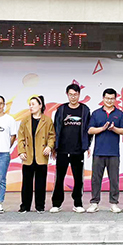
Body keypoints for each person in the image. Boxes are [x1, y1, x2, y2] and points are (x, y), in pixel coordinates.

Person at [51, 84, 92, 213]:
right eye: (71, 94)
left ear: (79, 95)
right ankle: (56, 204)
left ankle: (78, 203)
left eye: (75, 94)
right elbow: (55, 128)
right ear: (67, 95)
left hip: (78, 150)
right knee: (59, 178)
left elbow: (88, 130)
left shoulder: (85, 110)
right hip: (62, 150)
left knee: (78, 179)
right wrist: (54, 147)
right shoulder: (61, 109)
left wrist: (87, 146)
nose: (73, 97)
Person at [87, 88, 123, 213]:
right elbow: (90, 130)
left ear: (115, 99)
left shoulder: (119, 114)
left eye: (112, 98)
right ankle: (94, 203)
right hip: (99, 152)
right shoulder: (96, 113)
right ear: (103, 98)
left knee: (114, 179)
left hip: (113, 153)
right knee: (96, 179)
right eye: (107, 98)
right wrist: (102, 129)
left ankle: (114, 203)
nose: (109, 101)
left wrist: (114, 129)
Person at [18, 95, 55, 213]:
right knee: (26, 183)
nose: (31, 106)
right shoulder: (25, 121)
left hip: (41, 155)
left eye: (33, 104)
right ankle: (25, 206)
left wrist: (49, 146)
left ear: (40, 106)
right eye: (30, 104)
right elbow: (20, 138)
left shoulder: (47, 120)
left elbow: (52, 136)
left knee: (41, 182)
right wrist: (21, 151)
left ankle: (40, 206)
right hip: (28, 155)